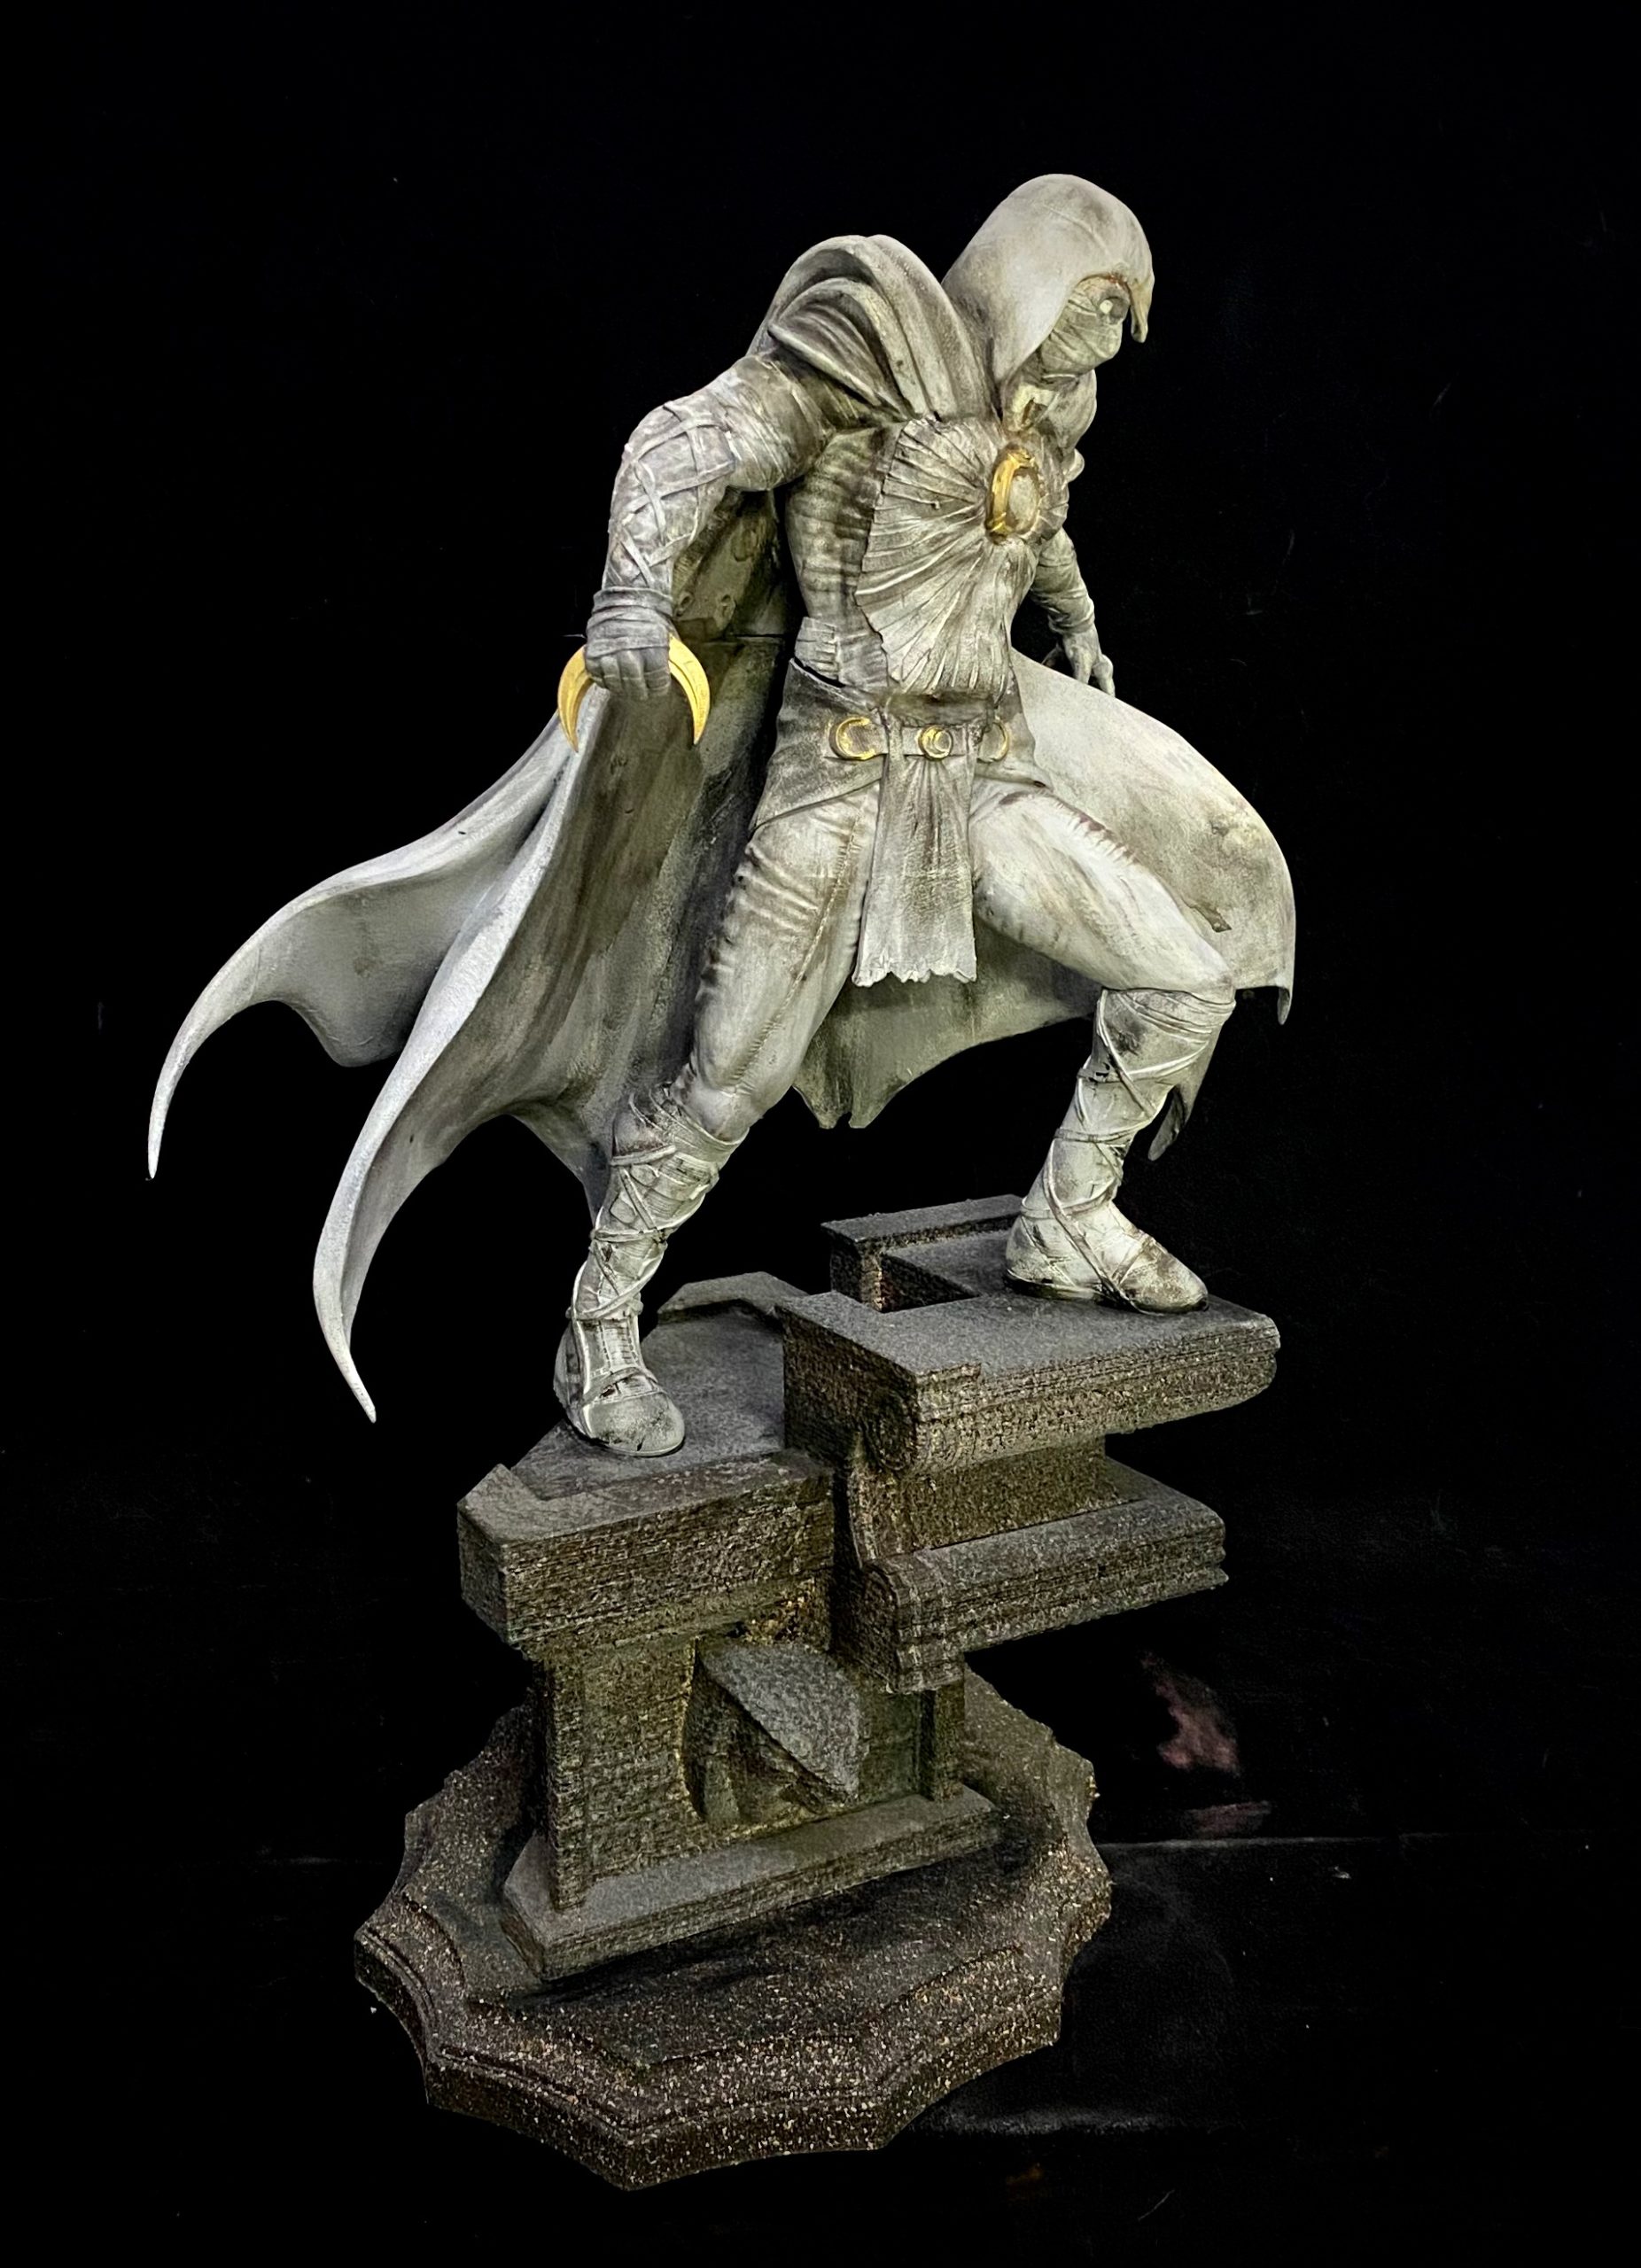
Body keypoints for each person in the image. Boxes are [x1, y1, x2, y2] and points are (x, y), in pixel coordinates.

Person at [150, 177, 1293, 1452]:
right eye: (1088, 316)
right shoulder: (875, 348)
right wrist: (631, 595)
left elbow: (1036, 515)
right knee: (724, 1087)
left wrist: (1073, 621)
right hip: (836, 789)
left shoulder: (1043, 404)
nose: (1096, 355)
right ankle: (599, 1318)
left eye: (1116, 332)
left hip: (978, 782)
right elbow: (685, 443)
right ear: (1028, 284)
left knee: (1184, 978)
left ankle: (1069, 1212)